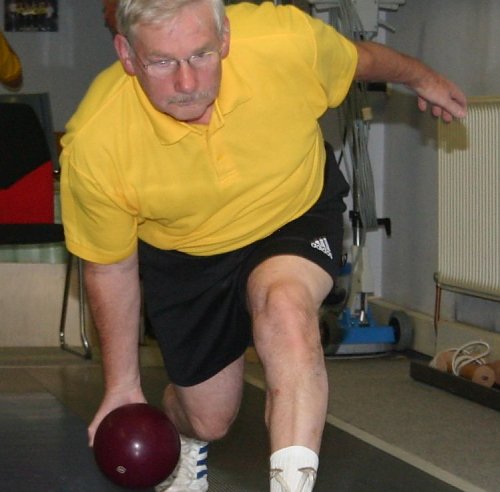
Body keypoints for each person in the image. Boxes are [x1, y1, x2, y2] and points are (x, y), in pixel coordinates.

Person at [60, 1, 467, 491]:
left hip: (290, 212)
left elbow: (359, 59)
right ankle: (191, 438)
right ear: (126, 55)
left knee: (285, 307)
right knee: (209, 418)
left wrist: (420, 76)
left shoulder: (283, 42)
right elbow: (110, 268)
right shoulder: (97, 140)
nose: (188, 83)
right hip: (187, 252)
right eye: (163, 62)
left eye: (202, 54)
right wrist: (122, 386)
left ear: (226, 37)